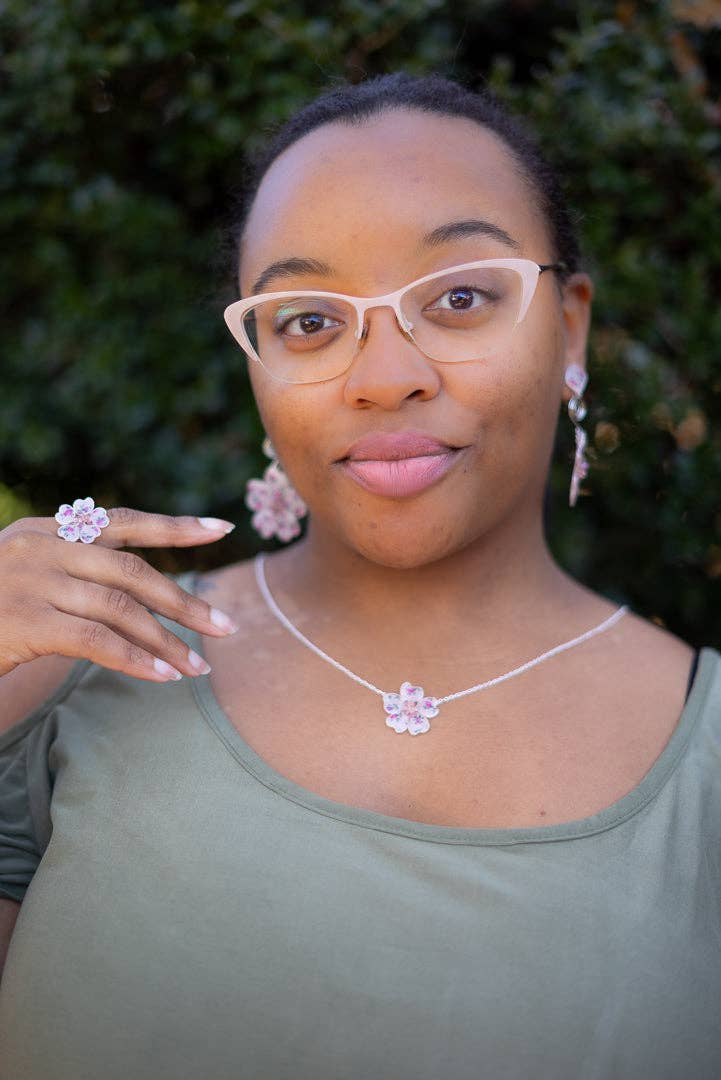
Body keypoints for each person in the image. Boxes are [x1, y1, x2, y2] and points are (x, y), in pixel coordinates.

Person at [0, 72, 718, 1079]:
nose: (384, 375)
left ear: (569, 329)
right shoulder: (73, 674)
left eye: (461, 297)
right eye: (308, 320)